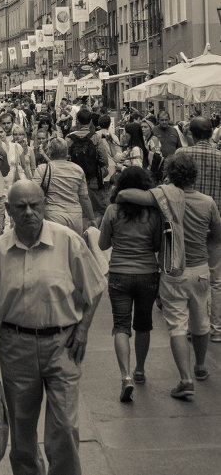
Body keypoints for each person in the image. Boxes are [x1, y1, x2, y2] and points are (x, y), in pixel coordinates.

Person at [0, 181, 105, 475]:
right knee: (22, 432)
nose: (30, 212)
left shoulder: (67, 240)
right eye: (21, 207)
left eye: (35, 205)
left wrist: (82, 331)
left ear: (44, 205)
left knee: (65, 428)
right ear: (8, 210)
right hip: (16, 347)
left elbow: (95, 289)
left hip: (63, 345)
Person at [117, 154, 221, 399]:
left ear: (171, 175)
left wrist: (153, 192)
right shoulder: (208, 202)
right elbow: (217, 235)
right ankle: (201, 366)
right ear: (194, 176)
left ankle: (185, 379)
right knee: (201, 321)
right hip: (200, 270)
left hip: (173, 270)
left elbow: (125, 196)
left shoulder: (165, 197)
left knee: (177, 325)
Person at [98, 167, 161, 402]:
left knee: (121, 326)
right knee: (144, 325)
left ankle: (125, 376)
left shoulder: (113, 211)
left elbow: (103, 244)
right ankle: (140, 370)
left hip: (119, 274)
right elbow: (157, 245)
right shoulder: (153, 213)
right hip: (147, 273)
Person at [175, 117, 221, 342]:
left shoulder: (182, 155)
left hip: (188, 224)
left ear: (191, 134)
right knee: (216, 279)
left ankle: (195, 327)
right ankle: (216, 329)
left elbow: (170, 186)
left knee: (189, 275)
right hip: (216, 221)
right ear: (211, 133)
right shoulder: (220, 157)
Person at [32, 137, 94, 235]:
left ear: (50, 151)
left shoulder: (43, 169)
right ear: (66, 151)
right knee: (73, 248)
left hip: (53, 214)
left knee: (55, 248)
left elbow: (32, 192)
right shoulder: (78, 169)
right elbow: (84, 197)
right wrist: (91, 219)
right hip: (75, 216)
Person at [67, 107, 109, 221]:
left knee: (78, 210)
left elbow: (66, 159)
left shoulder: (69, 138)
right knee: (100, 209)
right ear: (90, 121)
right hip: (93, 179)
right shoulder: (95, 137)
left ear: (77, 121)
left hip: (74, 180)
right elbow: (104, 160)